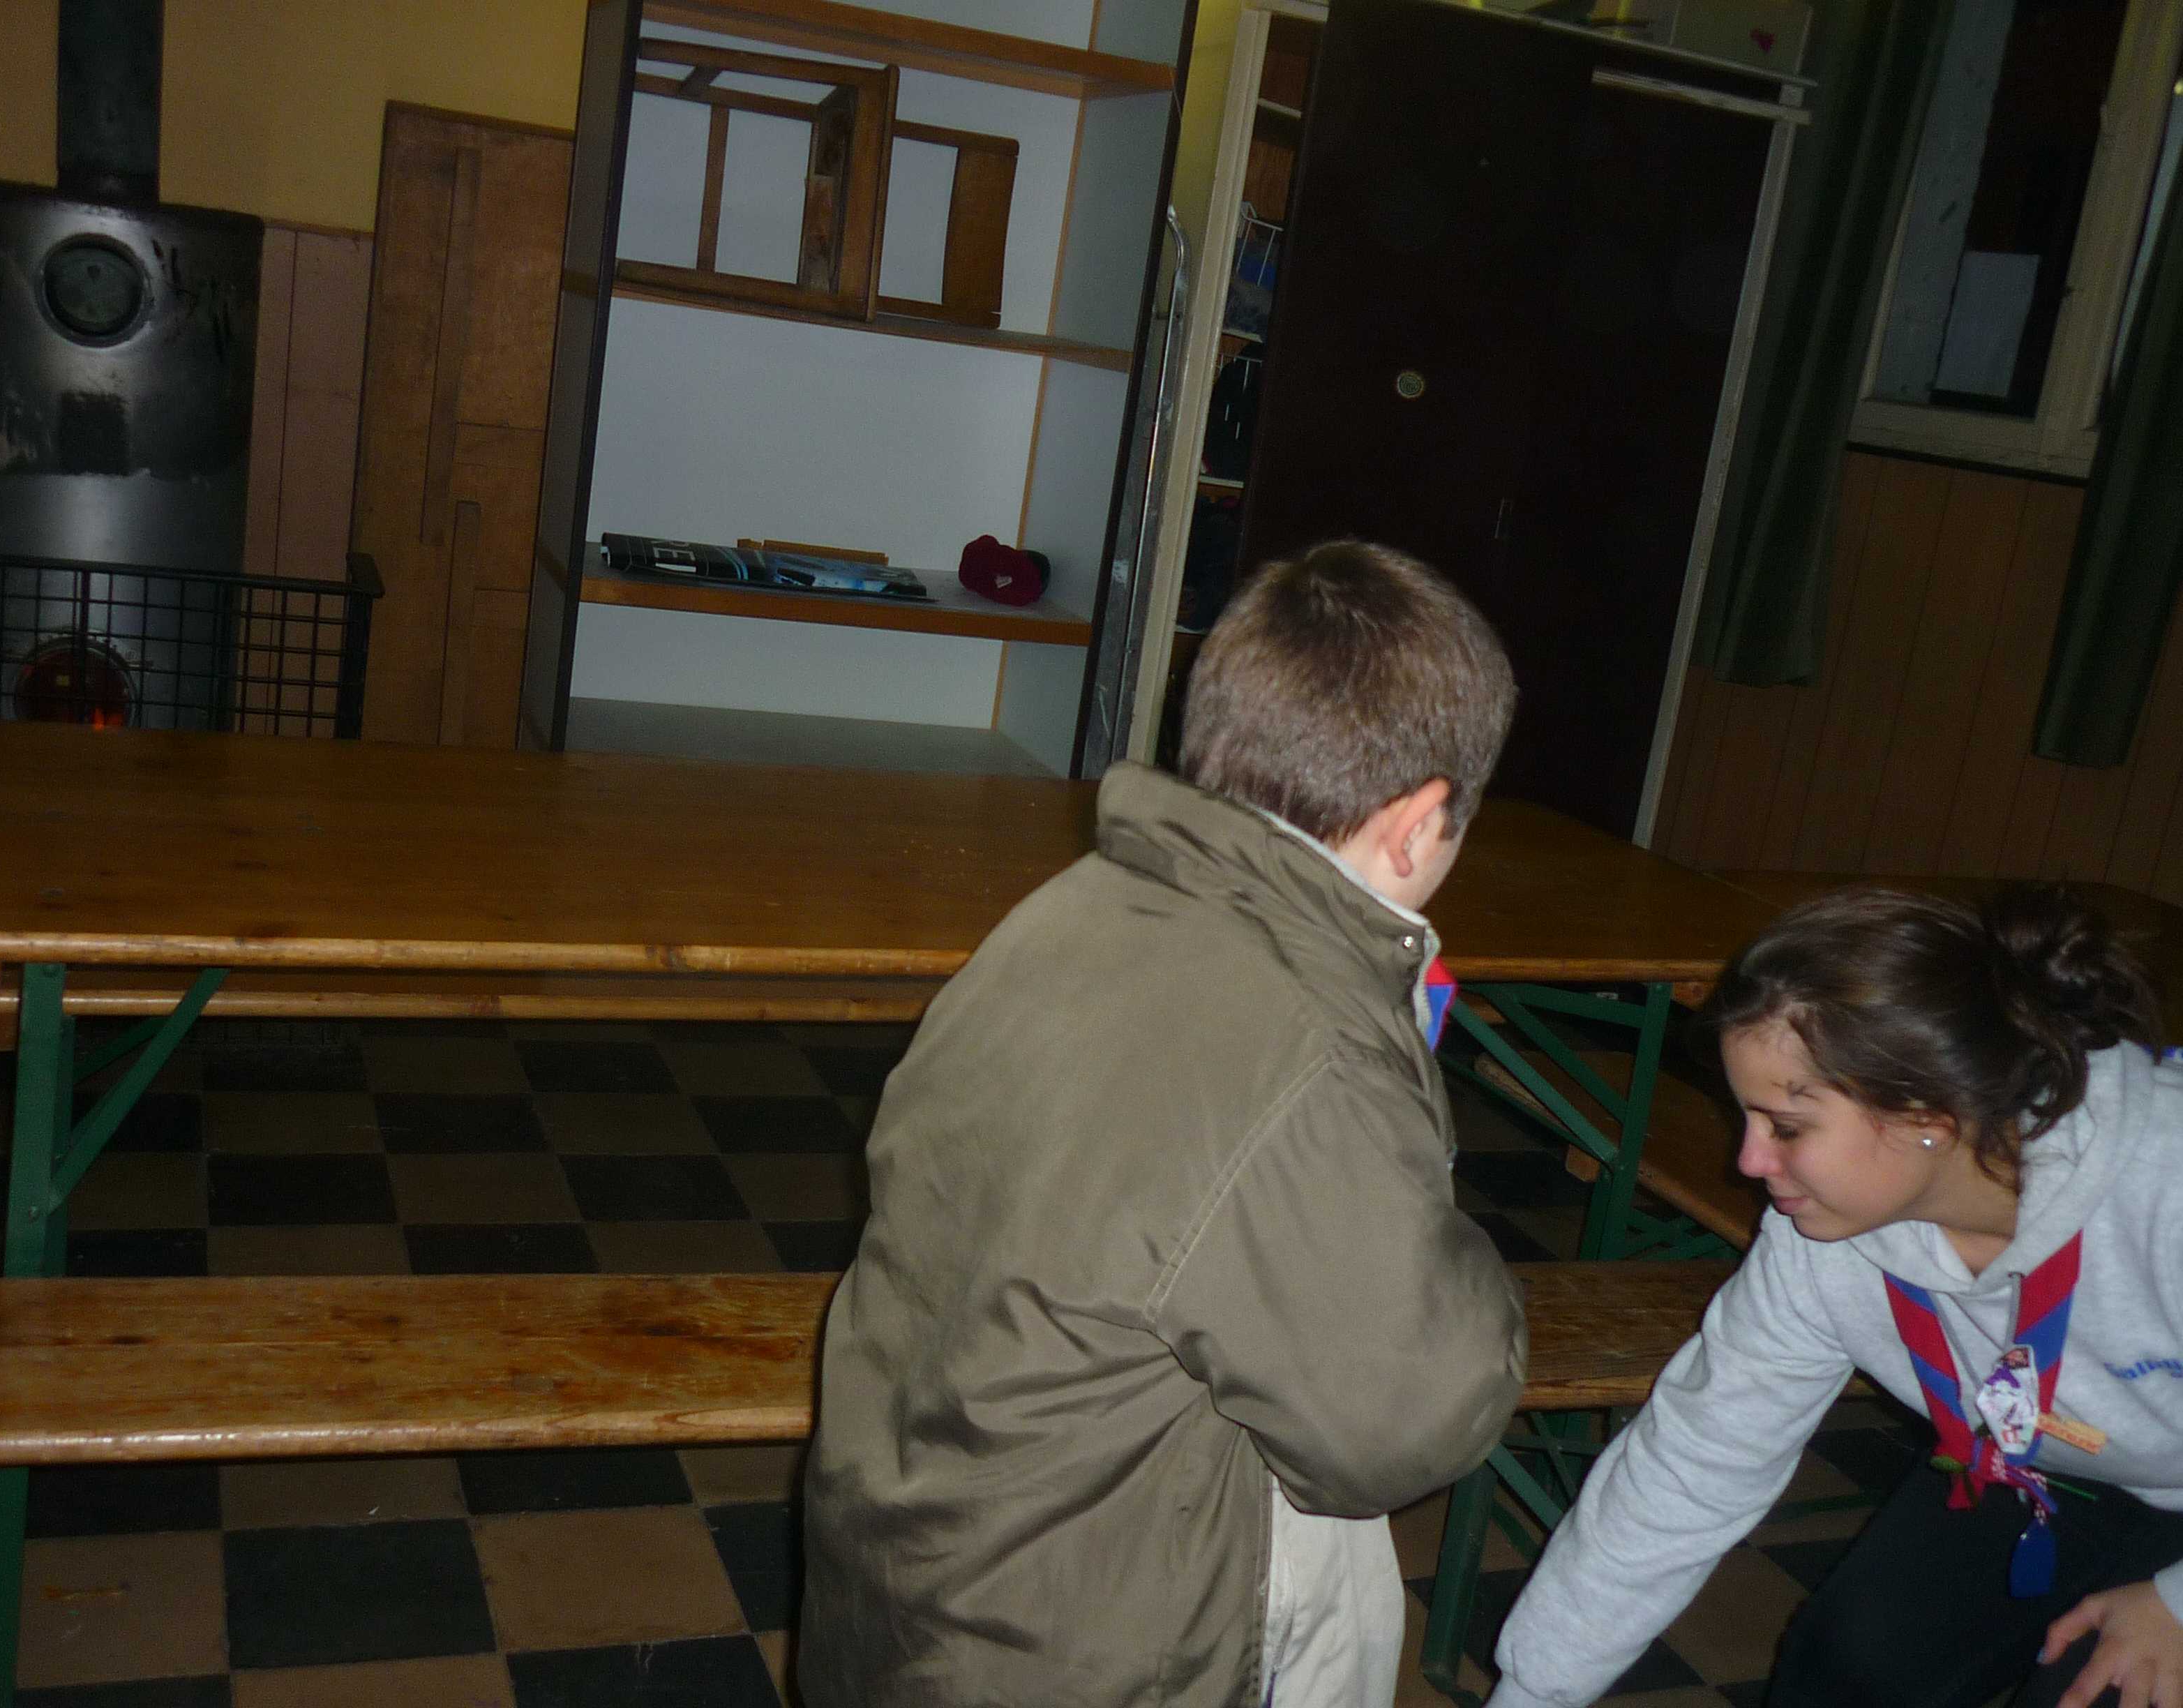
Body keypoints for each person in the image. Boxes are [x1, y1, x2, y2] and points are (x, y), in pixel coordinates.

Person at [799, 539, 1529, 1707]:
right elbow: (1400, 1429)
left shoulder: (1072, 908)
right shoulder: (1310, 1046)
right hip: (1080, 1648)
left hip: (910, 1575)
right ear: (1415, 823)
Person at [1487, 885, 2183, 1708]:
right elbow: (1693, 1462)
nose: (1749, 1162)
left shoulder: (2164, 1184)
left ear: (1930, 1116)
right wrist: (1533, 1693)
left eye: (1786, 1126)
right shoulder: (1816, 1244)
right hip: (2037, 1464)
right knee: (1847, 1668)